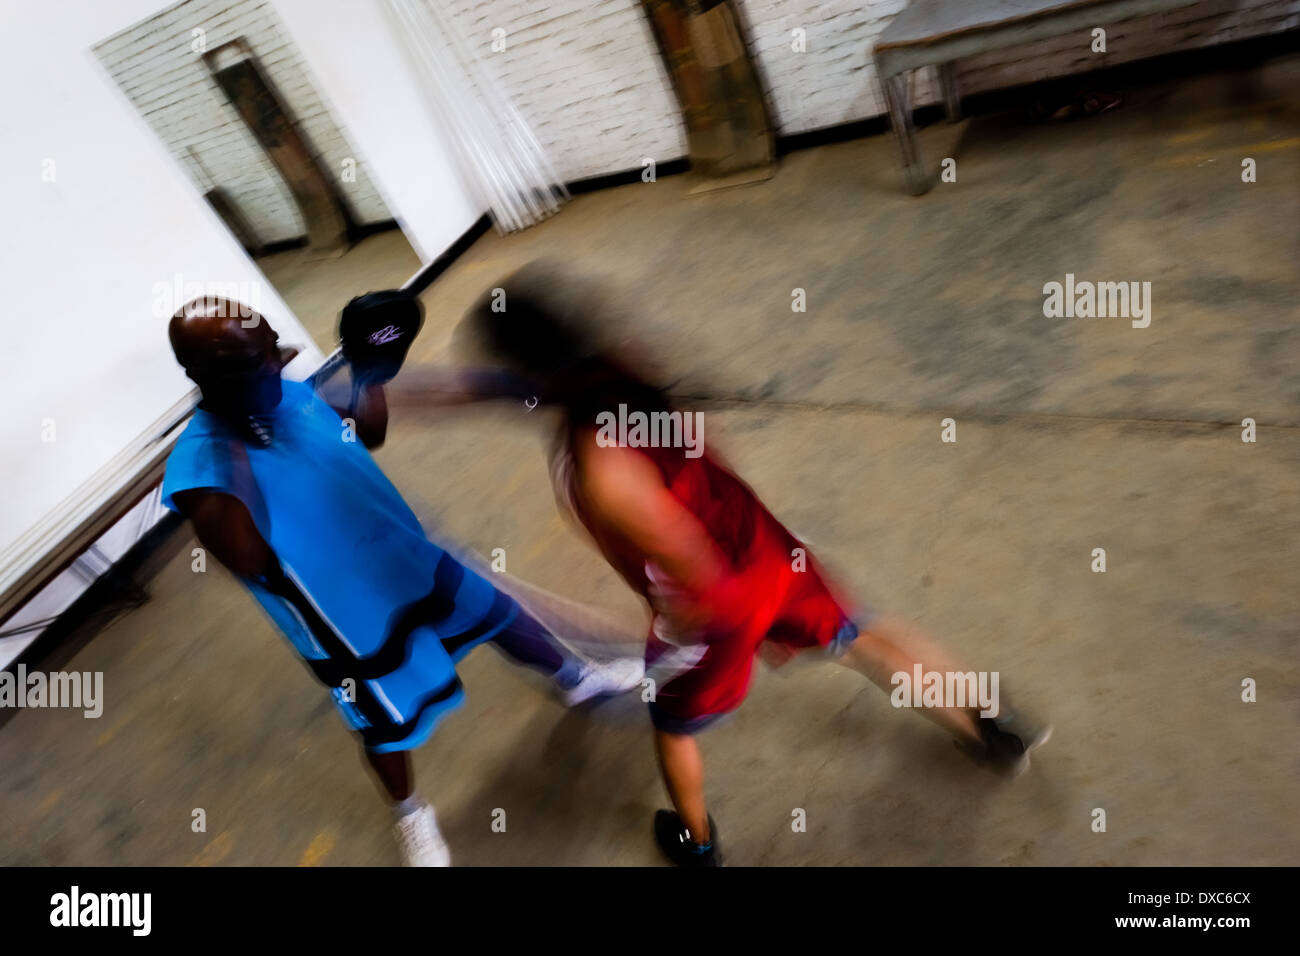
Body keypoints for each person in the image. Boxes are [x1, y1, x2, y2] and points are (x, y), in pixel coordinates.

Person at [456, 263, 1050, 866]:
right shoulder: (623, 367)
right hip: (765, 546)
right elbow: (703, 449)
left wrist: (703, 628)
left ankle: (698, 845)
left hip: (715, 601)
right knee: (861, 634)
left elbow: (685, 557)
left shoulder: (597, 463)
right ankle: (991, 727)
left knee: (672, 723)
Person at [160, 294, 642, 866]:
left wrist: (370, 370)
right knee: (386, 722)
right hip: (345, 616)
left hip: (405, 555)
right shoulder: (198, 466)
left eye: (273, 354)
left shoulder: (292, 394)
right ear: (209, 380)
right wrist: (234, 432)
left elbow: (367, 430)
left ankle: (576, 678)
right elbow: (245, 561)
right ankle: (410, 814)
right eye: (260, 363)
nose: (277, 367)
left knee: (498, 612)